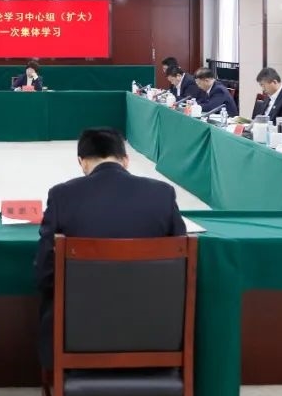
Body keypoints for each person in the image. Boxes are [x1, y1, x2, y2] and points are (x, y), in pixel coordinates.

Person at [34, 127, 186, 369]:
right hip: (155, 328)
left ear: (82, 162)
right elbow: (182, 268)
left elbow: (44, 272)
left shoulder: (62, 196)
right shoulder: (163, 194)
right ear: (125, 160)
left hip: (78, 331)